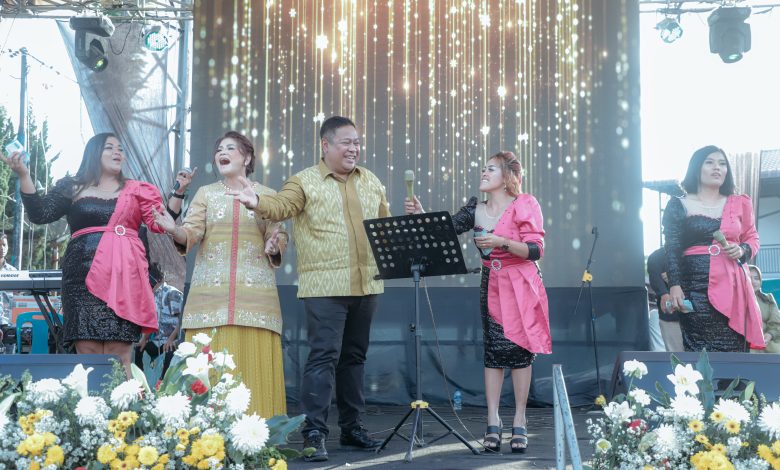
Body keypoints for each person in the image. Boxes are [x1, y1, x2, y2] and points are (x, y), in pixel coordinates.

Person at [238, 116, 389, 462]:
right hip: (325, 286)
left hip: (367, 283)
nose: (353, 149)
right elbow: (282, 206)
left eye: (357, 142)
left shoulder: (371, 181)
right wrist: (256, 201)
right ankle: (314, 433)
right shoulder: (303, 181)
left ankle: (352, 428)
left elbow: (383, 225)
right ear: (326, 145)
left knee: (354, 358)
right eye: (346, 142)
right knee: (323, 357)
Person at [406, 151, 550, 454]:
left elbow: (536, 249)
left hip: (521, 282)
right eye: (484, 168)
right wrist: (421, 213)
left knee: (520, 351)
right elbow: (442, 230)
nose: (484, 173)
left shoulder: (525, 204)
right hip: (492, 282)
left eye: (491, 169)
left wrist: (501, 242)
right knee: (493, 350)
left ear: (507, 176)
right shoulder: (475, 209)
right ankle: (492, 420)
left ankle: (520, 419)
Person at [2, 133, 165, 376]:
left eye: (120, 148)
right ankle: (87, 402)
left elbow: (160, 222)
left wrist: (178, 197)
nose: (117, 152)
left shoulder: (135, 190)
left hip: (122, 279)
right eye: (109, 147)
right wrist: (24, 175)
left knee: (119, 354)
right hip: (82, 279)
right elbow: (40, 214)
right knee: (87, 351)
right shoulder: (73, 186)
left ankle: (125, 402)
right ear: (94, 153)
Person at [153, 131, 288, 418]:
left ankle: (257, 435)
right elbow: (190, 233)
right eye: (219, 149)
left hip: (256, 304)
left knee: (253, 376)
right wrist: (174, 229)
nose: (222, 153)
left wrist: (274, 244)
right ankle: (207, 438)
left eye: (230, 148)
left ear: (247, 158)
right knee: (207, 376)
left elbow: (278, 233)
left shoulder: (268, 195)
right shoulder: (206, 194)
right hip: (208, 304)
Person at [663, 145, 764, 352]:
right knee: (699, 351)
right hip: (693, 286)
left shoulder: (740, 203)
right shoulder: (678, 204)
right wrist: (675, 285)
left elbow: (752, 238)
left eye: (722, 163)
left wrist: (743, 250)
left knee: (734, 349)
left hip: (733, 287)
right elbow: (672, 247)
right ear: (696, 168)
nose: (717, 167)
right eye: (709, 162)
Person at [133, 262, 183, 377]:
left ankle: (163, 383)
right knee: (139, 350)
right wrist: (144, 339)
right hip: (157, 341)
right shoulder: (152, 296)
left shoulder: (172, 293)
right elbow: (151, 321)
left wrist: (171, 339)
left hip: (171, 341)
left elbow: (181, 320)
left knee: (169, 352)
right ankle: (141, 383)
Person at [647, 247, 683, 352]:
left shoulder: (700, 252)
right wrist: (664, 293)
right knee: (677, 356)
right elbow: (655, 279)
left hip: (700, 317)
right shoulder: (656, 257)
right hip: (672, 317)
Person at [748, 265, 780, 353]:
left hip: (768, 342)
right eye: (749, 278)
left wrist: (770, 334)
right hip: (746, 345)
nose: (753, 282)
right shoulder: (735, 300)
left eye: (756, 278)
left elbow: (776, 323)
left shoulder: (768, 299)